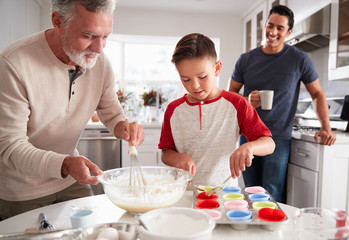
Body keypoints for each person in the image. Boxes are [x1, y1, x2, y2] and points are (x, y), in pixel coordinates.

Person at [0, 0, 144, 219]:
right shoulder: (14, 63)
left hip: (69, 182)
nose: (99, 48)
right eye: (88, 36)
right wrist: (66, 164)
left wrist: (123, 127)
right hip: (22, 190)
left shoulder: (100, 63)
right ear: (58, 22)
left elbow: (111, 112)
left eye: (105, 37)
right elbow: (9, 146)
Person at [228, 5, 336, 203]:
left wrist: (326, 128)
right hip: (249, 136)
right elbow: (231, 93)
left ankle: (268, 231)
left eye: (280, 28)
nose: (273, 32)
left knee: (271, 192)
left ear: (289, 32)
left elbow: (317, 93)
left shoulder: (300, 59)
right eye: (270, 25)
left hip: (279, 138)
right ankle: (251, 231)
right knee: (250, 191)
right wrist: (246, 100)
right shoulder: (245, 59)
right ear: (265, 25)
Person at [158, 33, 275, 188]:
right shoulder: (174, 110)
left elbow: (269, 144)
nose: (195, 86)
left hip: (225, 195)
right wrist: (178, 158)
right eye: (186, 79)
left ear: (217, 68)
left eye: (202, 76)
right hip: (184, 193)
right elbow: (166, 153)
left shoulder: (237, 104)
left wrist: (249, 147)